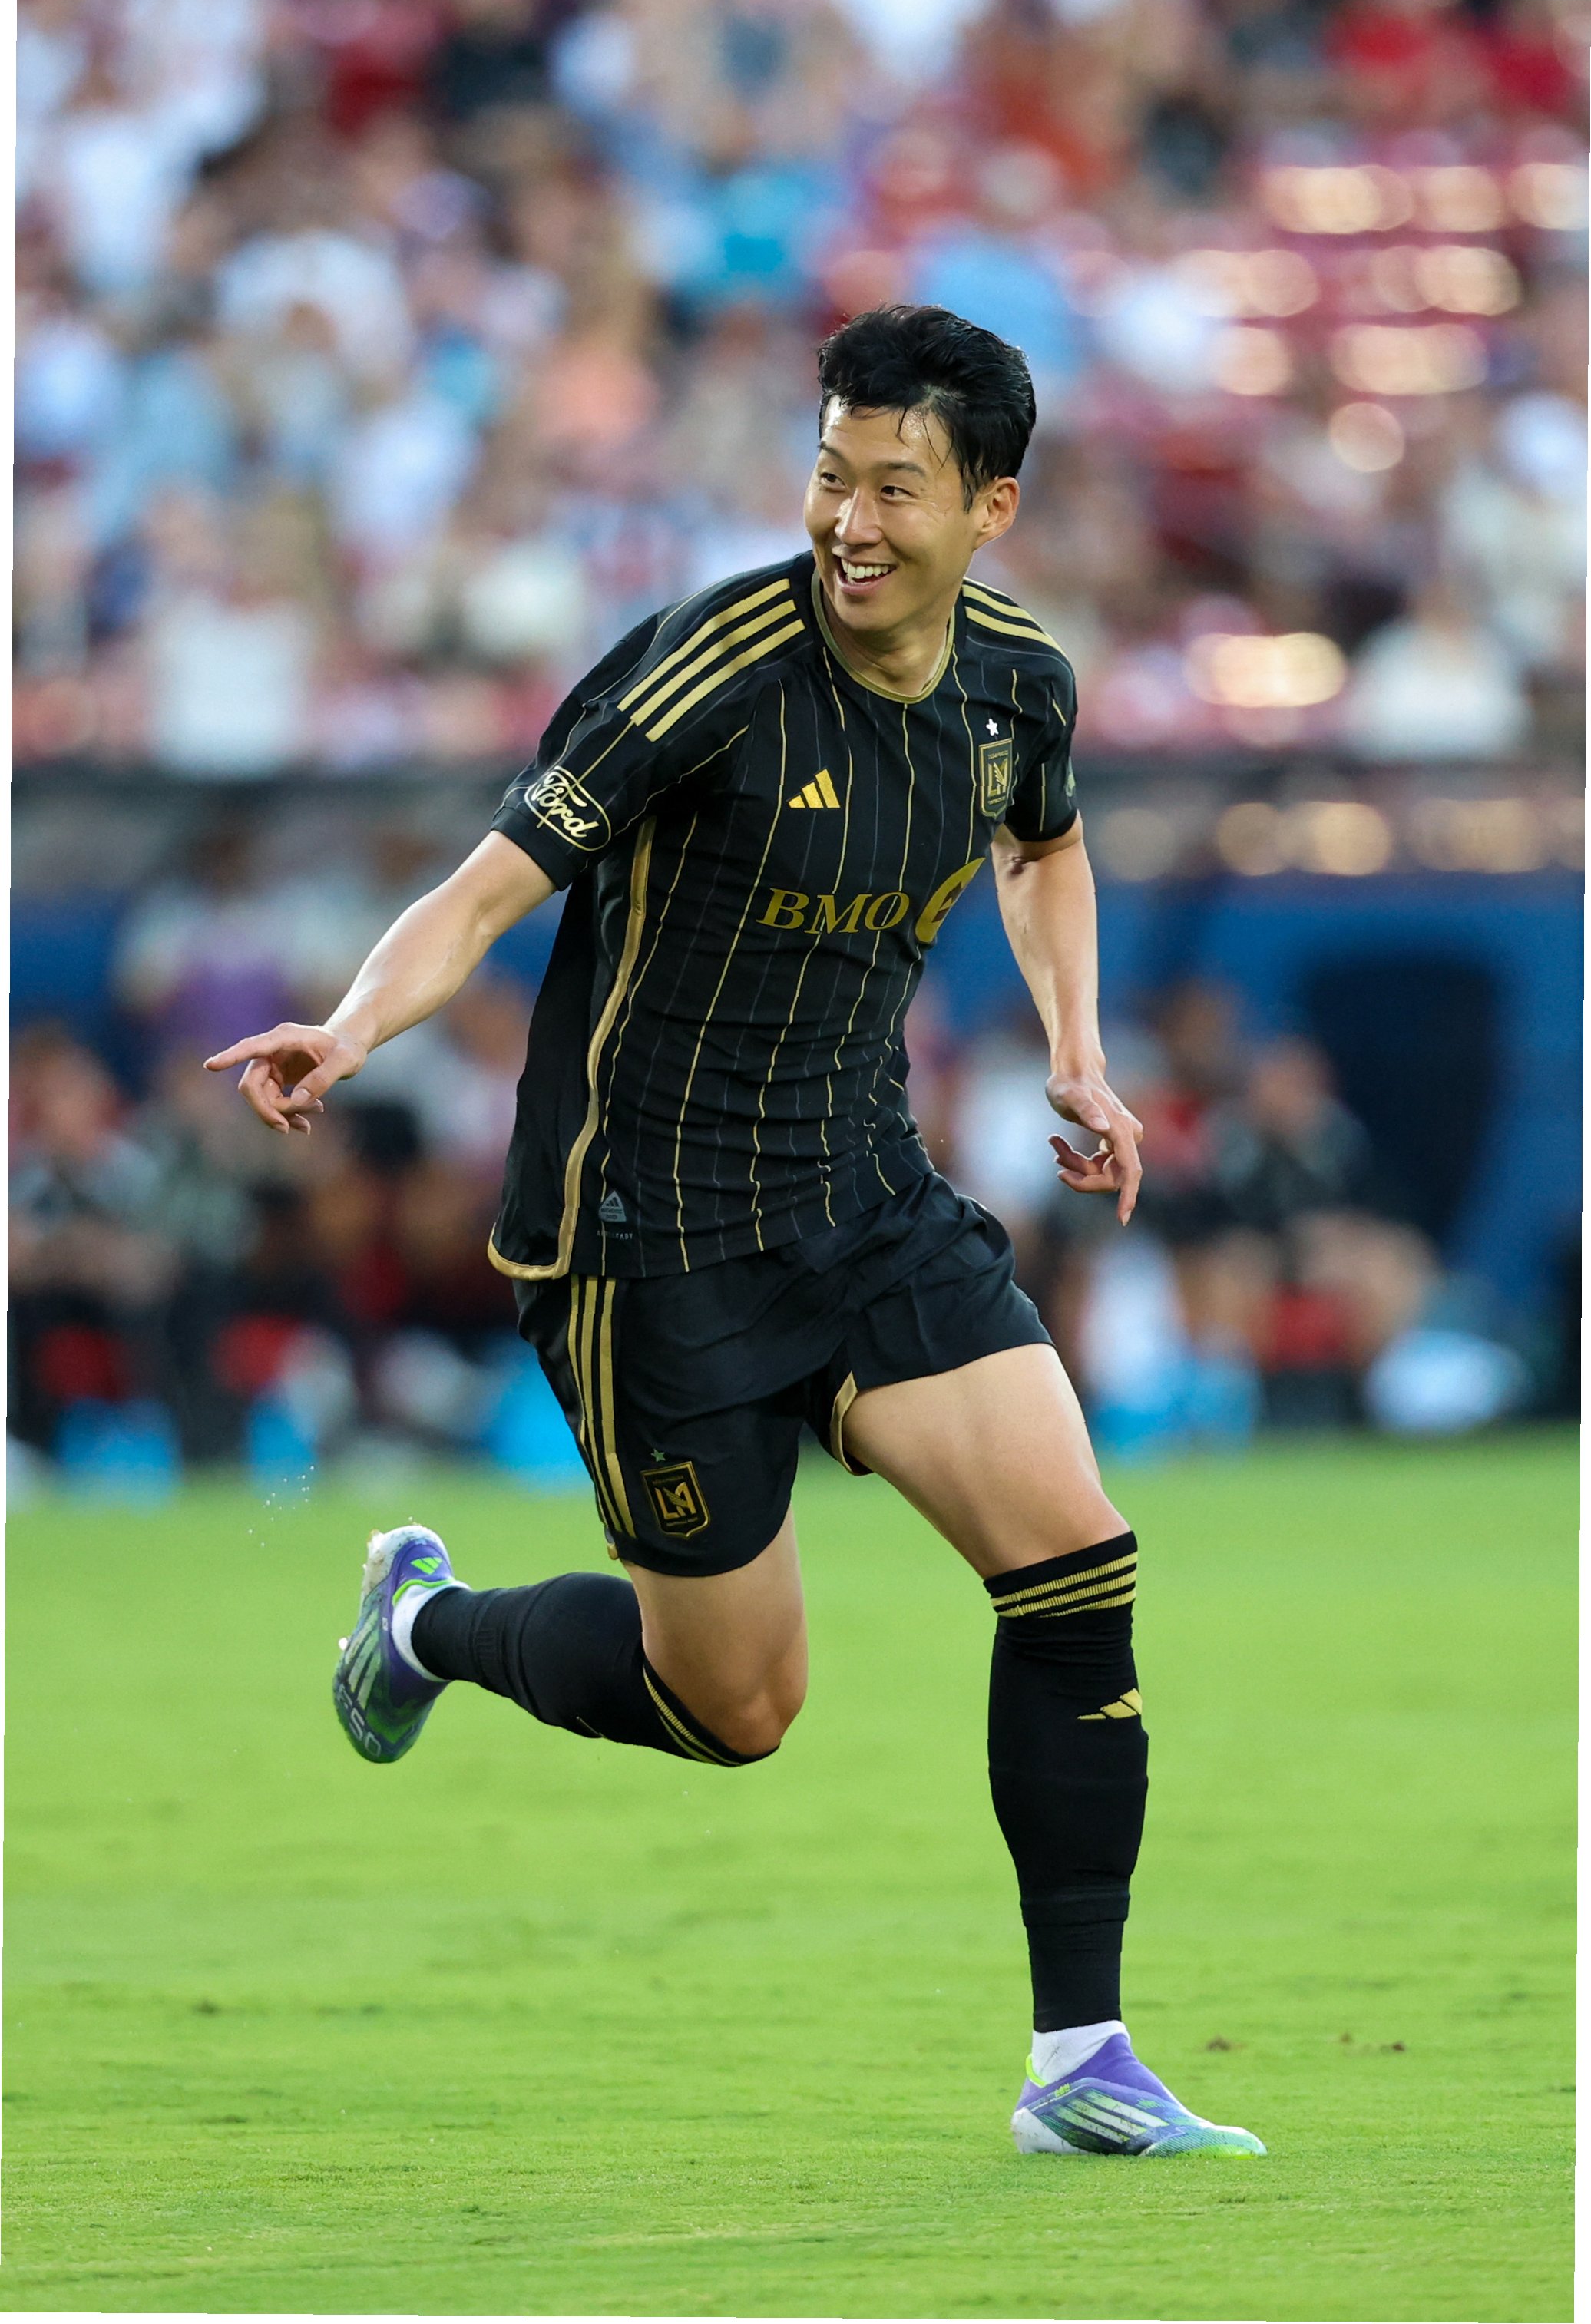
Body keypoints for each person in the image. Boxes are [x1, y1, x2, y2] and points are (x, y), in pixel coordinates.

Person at [207, 304, 1263, 2163]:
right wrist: (354, 1026)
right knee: (736, 1706)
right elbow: (486, 891)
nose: (848, 521)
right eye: (829, 476)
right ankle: (425, 1621)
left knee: (1075, 1561)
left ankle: (1080, 2059)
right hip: (650, 1236)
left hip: (862, 1195)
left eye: (895, 489)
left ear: (991, 509)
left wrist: (1080, 1052)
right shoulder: (704, 670)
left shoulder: (1018, 682)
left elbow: (1041, 845)